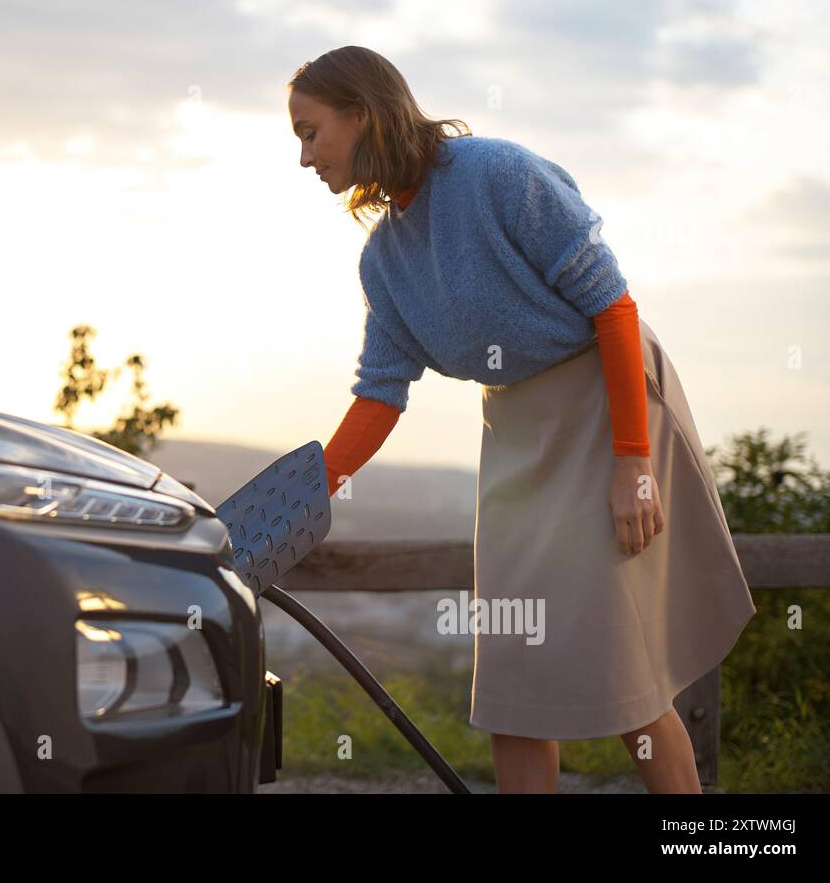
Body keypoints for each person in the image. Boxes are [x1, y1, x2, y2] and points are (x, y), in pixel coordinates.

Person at [287, 45, 756, 793]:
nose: (304, 157)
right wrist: (303, 494)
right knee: (514, 676)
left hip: (608, 407)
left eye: (310, 133)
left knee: (628, 679)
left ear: (363, 114)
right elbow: (380, 394)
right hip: (513, 434)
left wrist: (633, 462)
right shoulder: (384, 260)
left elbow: (614, 306)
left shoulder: (497, 175)